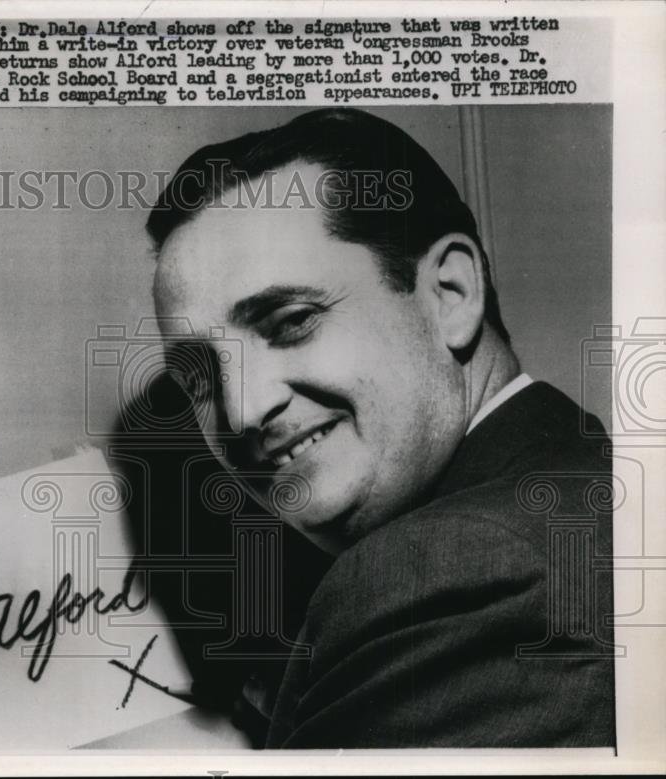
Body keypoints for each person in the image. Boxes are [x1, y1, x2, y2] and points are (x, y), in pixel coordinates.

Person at [144, 108, 615, 747]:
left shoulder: (441, 575)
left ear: (451, 293)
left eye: (290, 322)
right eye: (198, 377)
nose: (242, 413)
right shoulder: (578, 487)